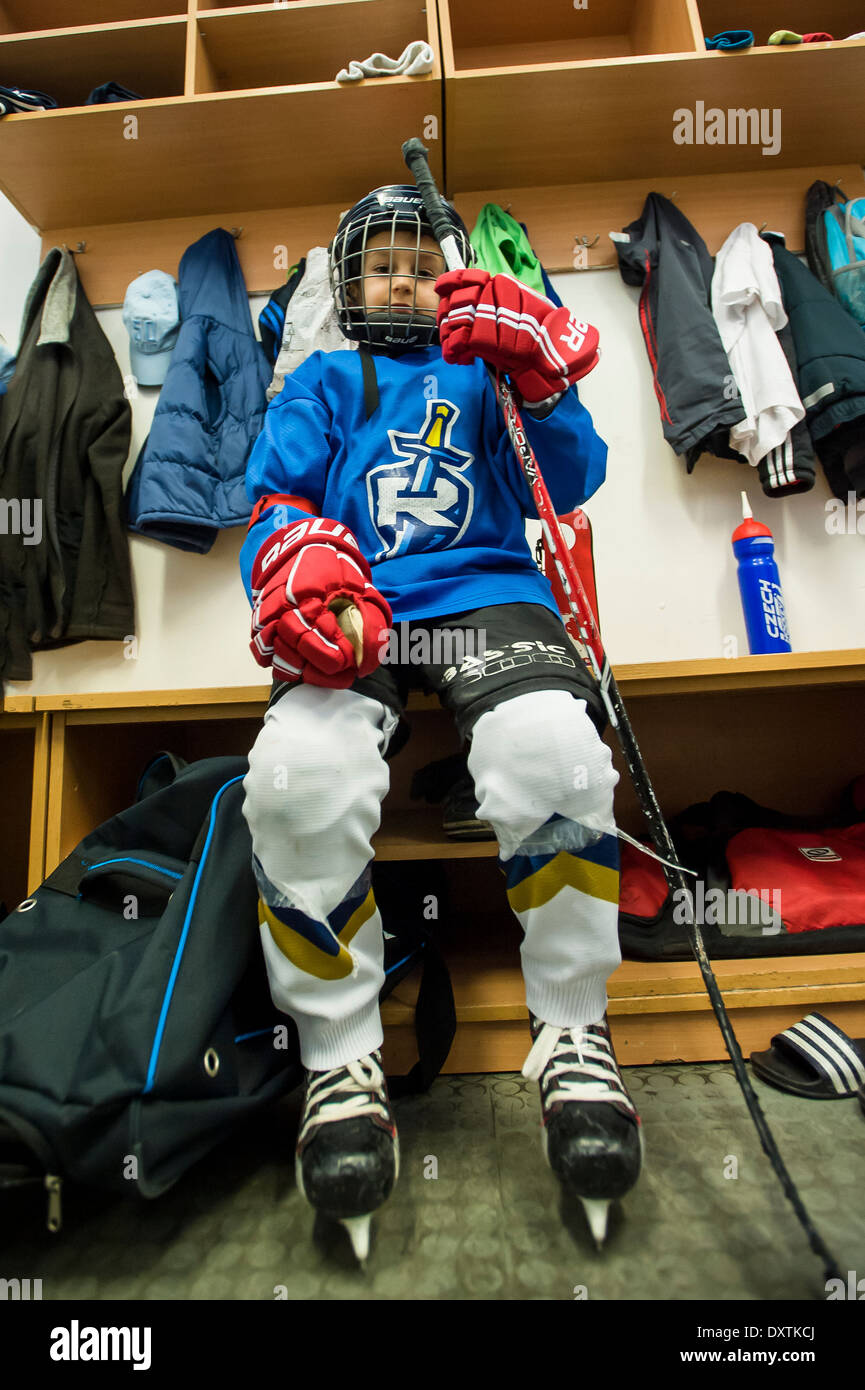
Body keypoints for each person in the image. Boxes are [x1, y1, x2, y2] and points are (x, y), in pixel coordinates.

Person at [239, 185, 642, 1262]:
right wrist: (296, 558)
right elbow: (273, 503)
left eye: (423, 259)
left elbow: (572, 484)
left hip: (484, 597)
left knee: (553, 749)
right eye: (384, 264)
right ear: (351, 282)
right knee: (293, 778)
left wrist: (542, 380)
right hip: (360, 600)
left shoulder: (492, 366)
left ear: (452, 268)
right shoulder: (323, 377)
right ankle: (338, 1058)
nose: (405, 276)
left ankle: (570, 1027)